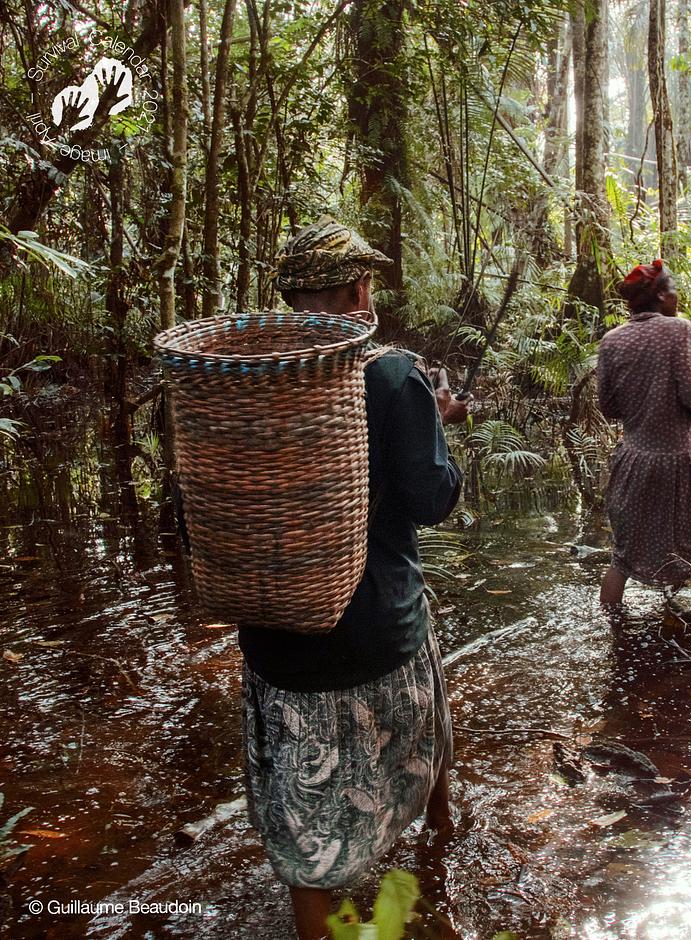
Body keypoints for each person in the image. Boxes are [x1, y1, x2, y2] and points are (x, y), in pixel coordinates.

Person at [238, 217, 467, 940]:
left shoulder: (243, 382)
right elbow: (434, 498)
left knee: (310, 846)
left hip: (277, 642)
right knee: (423, 750)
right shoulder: (393, 377)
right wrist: (439, 419)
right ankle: (439, 857)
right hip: (378, 632)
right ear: (360, 293)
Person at [596, 259, 691, 607]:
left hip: (633, 462)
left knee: (623, 556)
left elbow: (609, 407)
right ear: (662, 296)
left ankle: (612, 629)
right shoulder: (680, 330)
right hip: (680, 461)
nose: (678, 296)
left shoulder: (612, 341)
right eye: (674, 289)